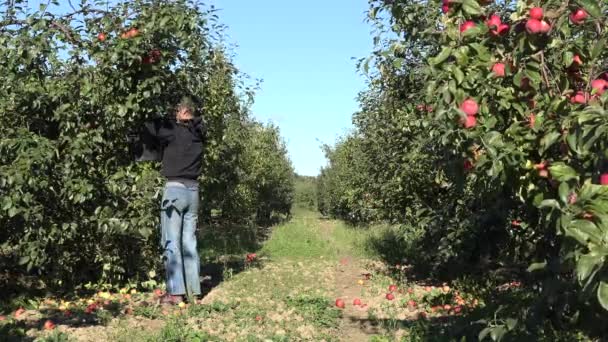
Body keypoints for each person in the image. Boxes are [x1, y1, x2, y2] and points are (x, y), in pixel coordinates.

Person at [138, 96, 206, 305]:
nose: (174, 115)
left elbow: (149, 126)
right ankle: (194, 291)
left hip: (175, 190)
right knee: (189, 241)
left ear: (183, 113)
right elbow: (196, 124)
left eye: (177, 112)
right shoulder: (200, 133)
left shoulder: (173, 130)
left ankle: (176, 293)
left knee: (171, 241)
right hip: (193, 191)